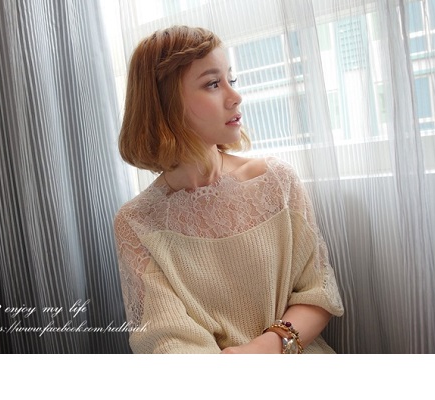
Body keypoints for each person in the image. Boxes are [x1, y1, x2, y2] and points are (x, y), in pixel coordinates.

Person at [114, 25, 344, 354]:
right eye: (212, 83)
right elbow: (166, 337)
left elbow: (317, 292)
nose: (235, 96)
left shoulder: (276, 182)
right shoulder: (136, 222)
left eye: (230, 80)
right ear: (165, 103)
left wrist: (263, 350)